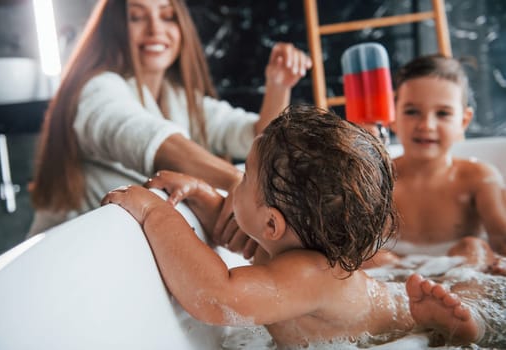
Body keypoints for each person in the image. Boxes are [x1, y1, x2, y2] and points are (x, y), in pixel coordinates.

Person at [102, 105, 418, 347]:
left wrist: (155, 213)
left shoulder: (312, 274)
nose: (235, 183)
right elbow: (242, 233)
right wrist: (201, 195)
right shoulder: (288, 246)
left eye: (244, 177)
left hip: (404, 326)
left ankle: (438, 317)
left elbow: (217, 297)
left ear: (272, 223)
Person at [27, 0, 312, 239]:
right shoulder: (96, 90)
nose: (155, 29)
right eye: (137, 17)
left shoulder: (176, 98)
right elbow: (155, 142)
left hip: (115, 253)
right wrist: (241, 185)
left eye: (167, 17)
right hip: (64, 259)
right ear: (113, 29)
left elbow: (255, 139)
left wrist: (278, 86)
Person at [367, 55, 506, 268]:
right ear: (393, 117)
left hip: (461, 278)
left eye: (442, 113)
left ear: (463, 121)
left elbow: (502, 242)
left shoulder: (478, 179)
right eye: (412, 111)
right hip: (397, 279)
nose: (426, 125)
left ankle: (458, 301)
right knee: (375, 257)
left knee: (473, 247)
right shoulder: (380, 179)